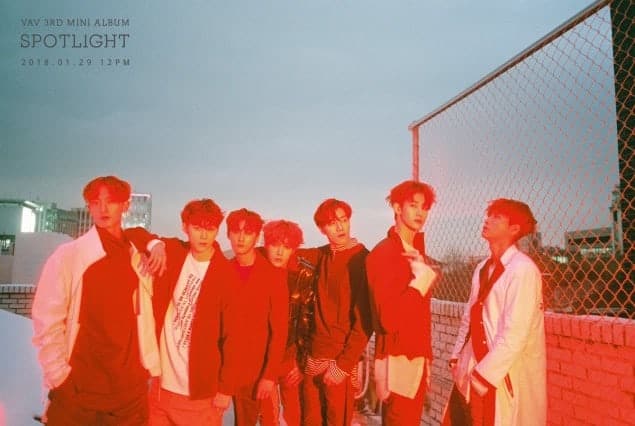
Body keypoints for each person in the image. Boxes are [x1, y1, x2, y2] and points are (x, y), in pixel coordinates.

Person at [31, 175, 164, 425]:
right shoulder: (69, 255)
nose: (103, 208)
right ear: (89, 207)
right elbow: (46, 320)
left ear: (125, 205)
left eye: (111, 201)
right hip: (80, 390)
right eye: (95, 202)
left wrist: (156, 243)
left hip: (129, 391)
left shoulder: (137, 255)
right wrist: (59, 377)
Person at [125, 198, 232, 426]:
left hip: (200, 393)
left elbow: (233, 337)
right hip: (160, 386)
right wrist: (155, 244)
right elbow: (131, 233)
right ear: (185, 227)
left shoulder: (226, 274)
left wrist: (226, 388)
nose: (203, 235)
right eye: (197, 227)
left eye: (210, 228)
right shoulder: (174, 252)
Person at [448, 198, 546, 426]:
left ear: (514, 229)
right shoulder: (482, 268)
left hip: (497, 377)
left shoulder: (523, 270)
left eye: (497, 217)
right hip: (471, 368)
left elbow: (516, 334)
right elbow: (469, 316)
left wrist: (483, 376)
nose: (487, 220)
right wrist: (456, 356)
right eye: (489, 215)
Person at [366, 180, 439, 425]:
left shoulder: (415, 253)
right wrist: (420, 281)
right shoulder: (385, 253)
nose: (420, 213)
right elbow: (389, 319)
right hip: (397, 362)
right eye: (413, 205)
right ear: (397, 208)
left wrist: (426, 358)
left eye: (425, 207)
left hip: (415, 359)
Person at [299, 198, 372, 426]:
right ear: (322, 229)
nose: (340, 227)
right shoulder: (322, 255)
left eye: (344, 219)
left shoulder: (362, 259)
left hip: (340, 360)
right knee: (310, 420)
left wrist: (344, 365)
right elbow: (284, 253)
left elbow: (365, 322)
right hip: (314, 356)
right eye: (332, 223)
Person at [218, 208, 289, 426]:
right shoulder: (222, 271)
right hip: (221, 367)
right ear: (228, 234)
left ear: (257, 236)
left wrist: (269, 376)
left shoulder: (273, 275)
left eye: (248, 232)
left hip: (254, 371)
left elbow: (279, 331)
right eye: (236, 231)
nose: (241, 238)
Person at [259, 219, 316, 425]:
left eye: (286, 246)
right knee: (268, 415)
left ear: (294, 249)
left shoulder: (303, 274)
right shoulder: (257, 270)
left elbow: (308, 322)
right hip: (263, 359)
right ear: (266, 245)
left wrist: (300, 363)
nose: (279, 252)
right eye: (274, 244)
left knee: (294, 414)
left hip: (290, 356)